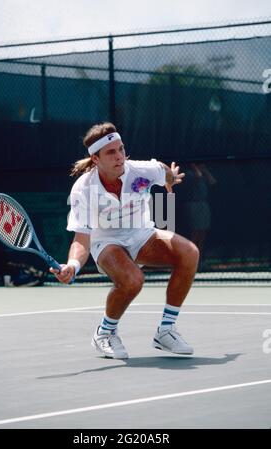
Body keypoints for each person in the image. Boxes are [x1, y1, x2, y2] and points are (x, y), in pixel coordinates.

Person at [50, 122, 199, 359]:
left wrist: (170, 178)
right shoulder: (83, 189)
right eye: (111, 152)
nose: (119, 156)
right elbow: (81, 239)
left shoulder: (140, 170)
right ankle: (105, 333)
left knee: (189, 252)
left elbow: (162, 170)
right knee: (133, 280)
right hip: (107, 242)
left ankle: (166, 331)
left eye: (121, 149)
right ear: (95, 159)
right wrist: (73, 266)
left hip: (142, 234)